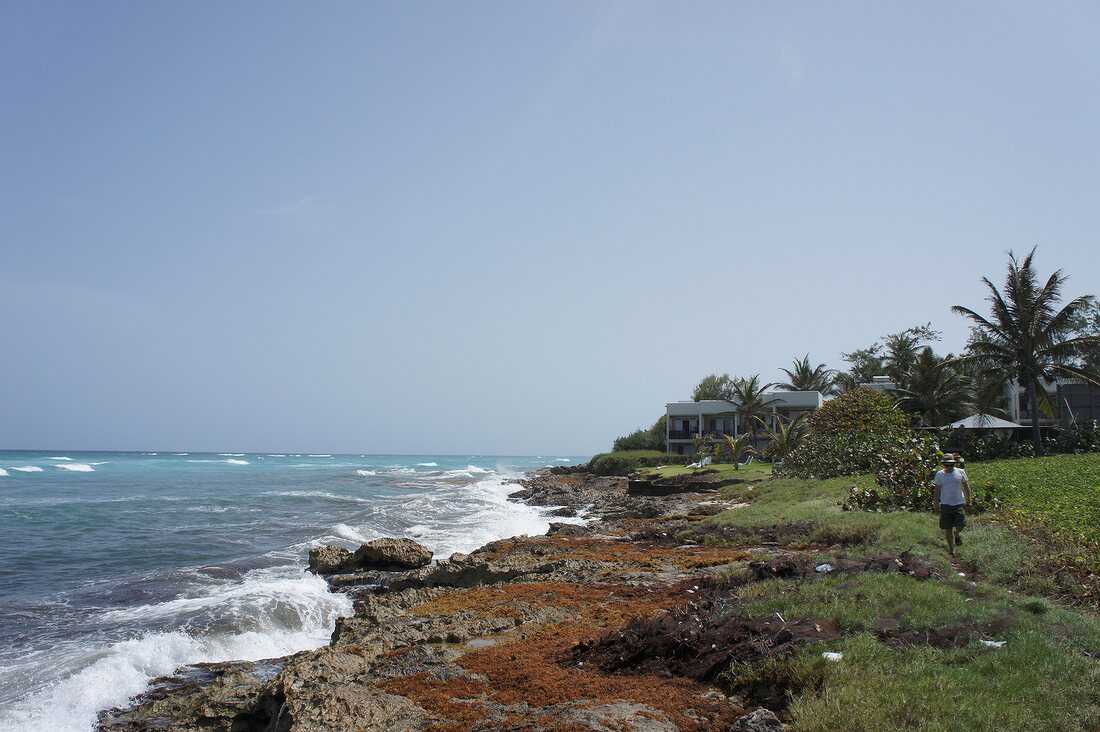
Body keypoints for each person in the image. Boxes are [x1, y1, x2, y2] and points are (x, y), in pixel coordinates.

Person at [933, 454, 971, 556]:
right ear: (943, 465)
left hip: (958, 503)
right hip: (946, 504)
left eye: (951, 465)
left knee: (961, 524)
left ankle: (957, 533)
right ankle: (951, 549)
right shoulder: (940, 475)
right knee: (947, 527)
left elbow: (966, 486)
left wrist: (969, 499)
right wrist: (936, 503)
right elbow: (937, 490)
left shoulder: (960, 472)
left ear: (954, 464)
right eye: (947, 465)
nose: (949, 468)